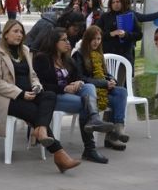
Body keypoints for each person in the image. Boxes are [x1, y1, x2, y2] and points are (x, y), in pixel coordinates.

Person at [0, 20, 81, 173]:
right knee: (33, 111)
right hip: (8, 98)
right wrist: (20, 93)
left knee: (49, 95)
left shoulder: (24, 50)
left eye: (21, 32)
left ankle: (41, 130)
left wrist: (37, 86)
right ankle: (59, 154)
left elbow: (33, 75)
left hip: (30, 93)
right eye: (15, 31)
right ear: (5, 34)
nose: (19, 35)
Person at [34, 28, 113, 164]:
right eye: (63, 40)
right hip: (52, 96)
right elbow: (42, 85)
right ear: (54, 42)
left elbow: (77, 77)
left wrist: (78, 82)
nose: (67, 42)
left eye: (67, 39)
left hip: (69, 94)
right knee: (85, 104)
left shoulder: (66, 59)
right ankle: (90, 148)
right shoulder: (42, 59)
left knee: (88, 87)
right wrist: (64, 87)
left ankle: (93, 119)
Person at [74, 25, 130, 150]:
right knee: (116, 102)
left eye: (99, 39)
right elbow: (81, 78)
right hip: (89, 93)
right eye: (93, 39)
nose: (96, 42)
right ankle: (112, 137)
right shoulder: (79, 55)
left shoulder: (98, 54)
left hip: (102, 89)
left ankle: (119, 128)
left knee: (121, 92)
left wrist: (111, 80)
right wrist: (104, 83)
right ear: (87, 39)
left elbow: (105, 73)